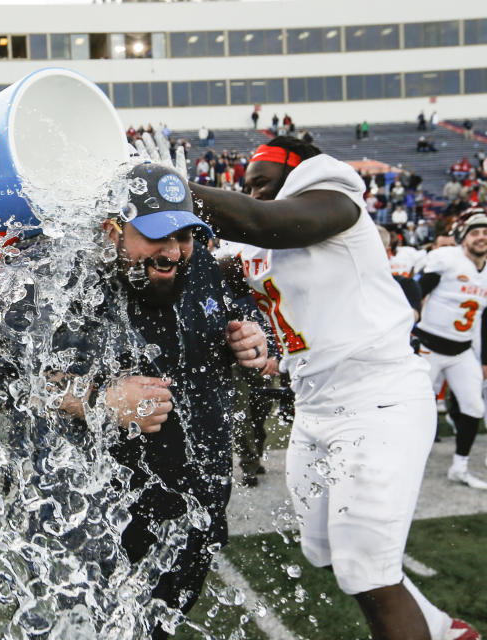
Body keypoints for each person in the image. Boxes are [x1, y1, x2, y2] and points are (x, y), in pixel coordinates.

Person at [189, 136, 480, 640]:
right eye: (249, 187)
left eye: (262, 184)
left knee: (366, 570)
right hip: (316, 409)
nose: (254, 194)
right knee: (322, 551)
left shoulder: (335, 201)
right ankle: (439, 627)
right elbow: (204, 272)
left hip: (380, 401)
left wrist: (161, 186)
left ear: (299, 172)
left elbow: (261, 221)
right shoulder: (258, 247)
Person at [93, 163, 268, 619]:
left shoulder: (201, 266)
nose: (173, 251)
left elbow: (240, 309)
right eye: (156, 235)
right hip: (109, 513)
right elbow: (12, 377)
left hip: (200, 501)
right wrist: (98, 400)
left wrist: (250, 336)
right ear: (112, 230)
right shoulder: (74, 285)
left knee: (165, 621)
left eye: (185, 235)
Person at [414, 208, 487, 490]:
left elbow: (484, 318)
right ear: (464, 238)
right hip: (429, 347)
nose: (482, 238)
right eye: (476, 233)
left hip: (462, 351)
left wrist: (483, 357)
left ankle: (460, 467)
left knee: (473, 407)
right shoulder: (448, 259)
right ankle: (408, 463)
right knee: (417, 407)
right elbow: (419, 289)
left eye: (485, 233)